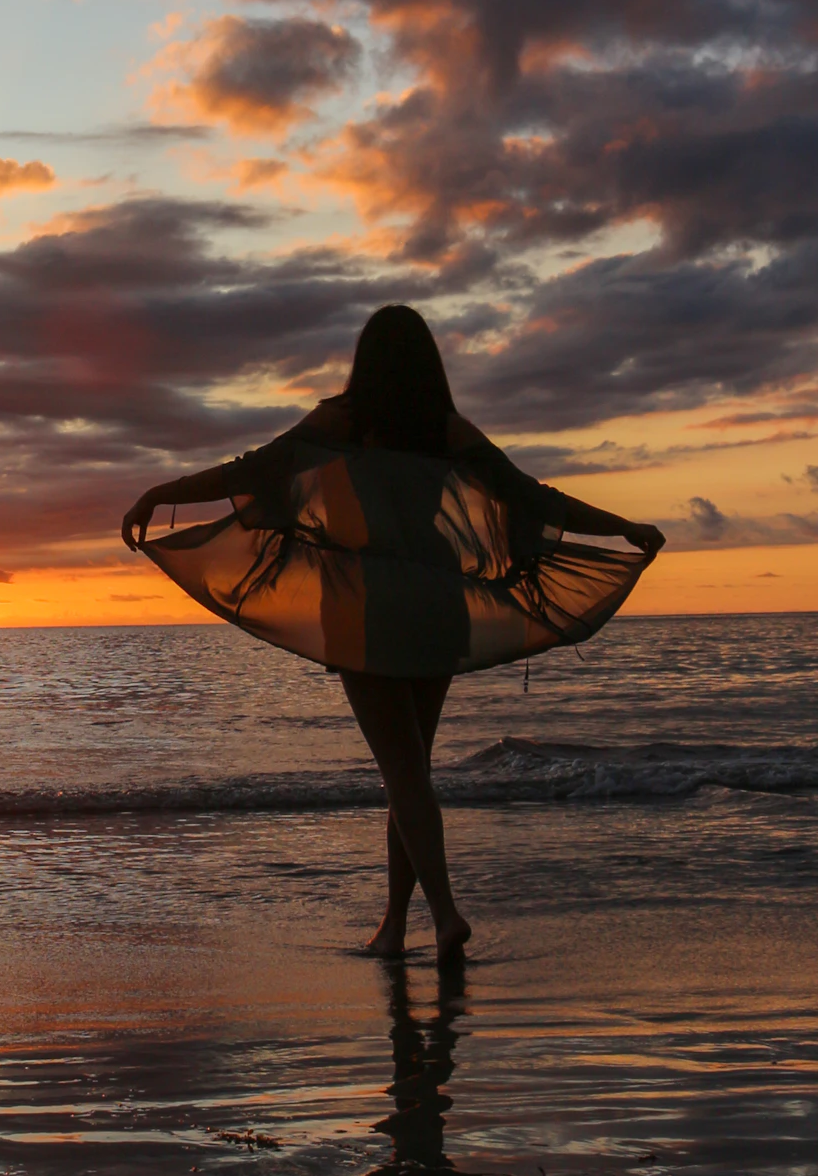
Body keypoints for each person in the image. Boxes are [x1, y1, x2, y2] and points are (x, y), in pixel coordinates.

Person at [120, 306, 664, 972]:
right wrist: (623, 527)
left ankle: (444, 917)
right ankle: (394, 926)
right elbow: (533, 497)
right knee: (411, 775)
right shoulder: (446, 430)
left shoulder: (342, 422)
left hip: (368, 607)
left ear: (365, 360)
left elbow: (253, 471)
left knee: (403, 775)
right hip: (438, 607)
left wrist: (161, 494)